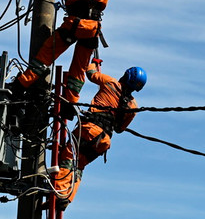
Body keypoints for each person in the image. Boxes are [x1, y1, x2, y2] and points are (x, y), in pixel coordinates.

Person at [11, 0, 127, 108]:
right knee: (79, 68)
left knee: (44, 56)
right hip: (91, 29)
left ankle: (20, 85)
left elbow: (68, 0)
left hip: (72, 25)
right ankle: (70, 103)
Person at [53, 62, 146, 211]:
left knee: (68, 157)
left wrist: (93, 64)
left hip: (90, 130)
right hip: (103, 141)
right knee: (79, 165)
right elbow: (120, 128)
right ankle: (67, 197)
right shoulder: (133, 106)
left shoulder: (111, 82)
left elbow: (90, 74)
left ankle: (60, 193)